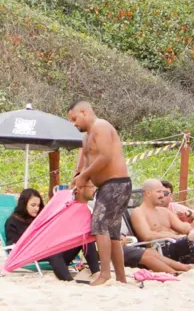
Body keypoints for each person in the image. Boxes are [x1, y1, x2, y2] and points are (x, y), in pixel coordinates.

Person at [69, 100, 130, 285]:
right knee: (111, 232)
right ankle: (121, 277)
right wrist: (80, 176)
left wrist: (85, 175)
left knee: (99, 224)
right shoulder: (86, 136)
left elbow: (105, 156)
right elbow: (89, 161)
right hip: (106, 186)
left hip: (116, 183)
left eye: (74, 119)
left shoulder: (101, 126)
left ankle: (105, 274)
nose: (74, 124)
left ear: (84, 112)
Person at [4, 188, 100, 281]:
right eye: (33, 205)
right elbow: (13, 247)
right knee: (52, 252)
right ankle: (68, 280)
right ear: (24, 204)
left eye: (38, 205)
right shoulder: (12, 221)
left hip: (53, 255)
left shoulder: (39, 220)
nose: (36, 208)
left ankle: (96, 272)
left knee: (83, 239)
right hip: (31, 256)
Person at [128, 180, 194, 272]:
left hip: (175, 244)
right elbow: (146, 235)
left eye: (163, 192)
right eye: (158, 192)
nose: (162, 195)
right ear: (148, 193)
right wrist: (174, 236)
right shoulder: (138, 212)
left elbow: (182, 226)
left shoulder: (164, 211)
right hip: (161, 250)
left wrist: (190, 230)